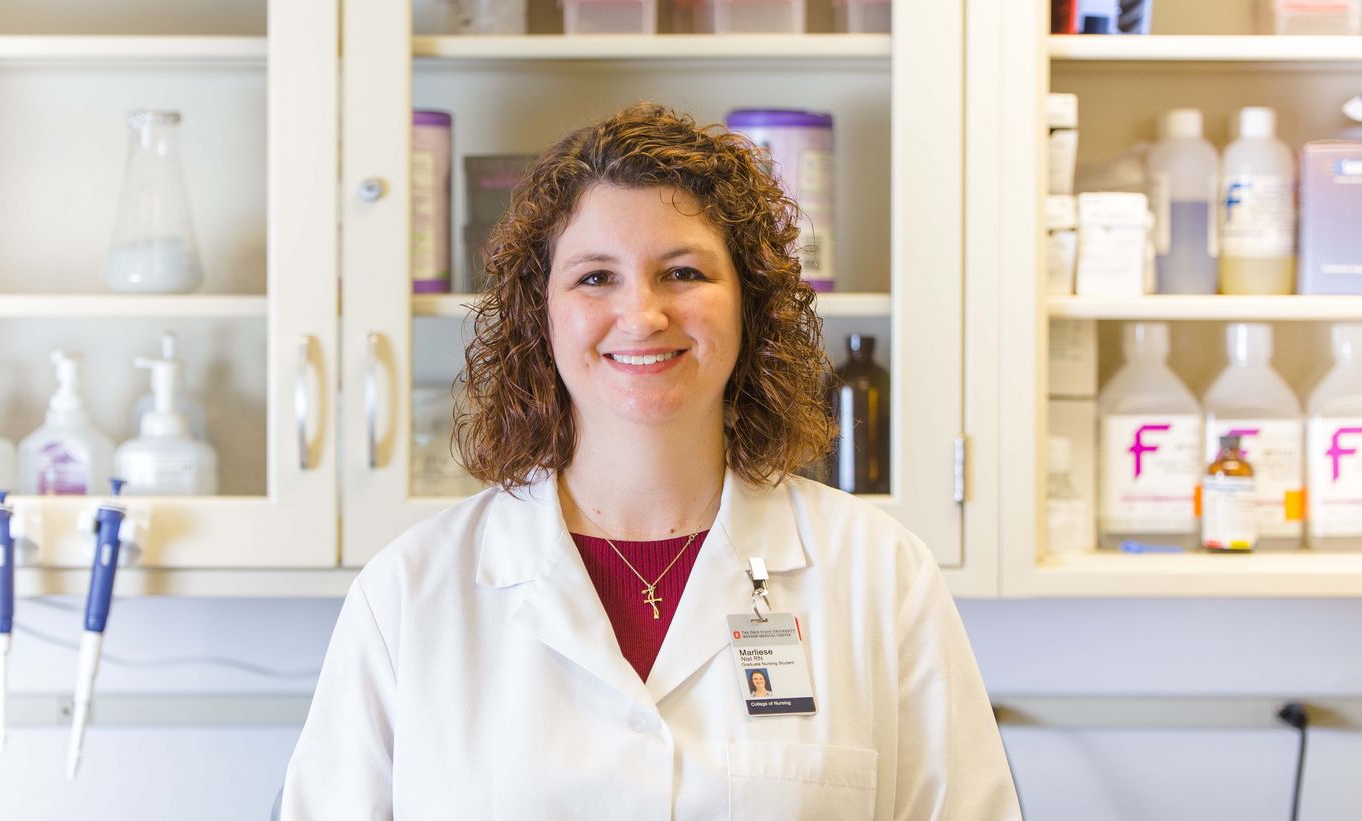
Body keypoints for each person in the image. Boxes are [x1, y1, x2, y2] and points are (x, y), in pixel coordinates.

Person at [281, 102, 1020, 819]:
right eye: (595, 276)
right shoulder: (410, 596)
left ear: (749, 304)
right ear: (541, 314)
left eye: (684, 272)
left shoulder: (880, 578)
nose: (642, 315)